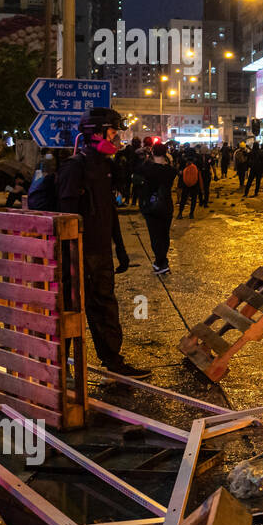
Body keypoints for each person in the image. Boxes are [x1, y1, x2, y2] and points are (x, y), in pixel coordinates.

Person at [57, 108, 150, 378]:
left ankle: (113, 360)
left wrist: (120, 250)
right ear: (96, 133)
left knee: (106, 307)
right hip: (77, 254)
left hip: (101, 253)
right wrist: (71, 255)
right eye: (113, 131)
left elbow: (109, 212)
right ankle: (61, 368)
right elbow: (65, 216)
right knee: (69, 310)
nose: (118, 137)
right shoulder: (75, 166)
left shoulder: (107, 166)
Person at [137, 141, 177, 274]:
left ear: (152, 152)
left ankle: (161, 262)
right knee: (164, 235)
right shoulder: (171, 171)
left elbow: (137, 173)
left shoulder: (147, 169)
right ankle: (161, 262)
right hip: (166, 205)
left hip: (151, 206)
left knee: (155, 235)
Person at [176, 150, 200, 219]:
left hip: (185, 183)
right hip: (194, 183)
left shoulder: (182, 161)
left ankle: (180, 213)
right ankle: (191, 214)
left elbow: (179, 171)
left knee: (183, 198)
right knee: (193, 199)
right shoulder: (196, 161)